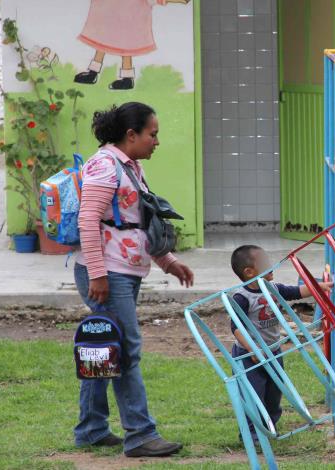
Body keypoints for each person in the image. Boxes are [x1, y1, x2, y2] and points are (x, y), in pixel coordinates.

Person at [74, 101, 194, 457]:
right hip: (108, 273)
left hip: (121, 271)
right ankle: (140, 435)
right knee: (126, 349)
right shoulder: (104, 165)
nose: (156, 141)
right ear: (131, 135)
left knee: (104, 346)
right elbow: (88, 221)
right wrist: (97, 274)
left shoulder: (131, 167)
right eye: (152, 134)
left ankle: (91, 429)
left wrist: (168, 261)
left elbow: (139, 221)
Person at [229, 245, 332, 442]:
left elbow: (296, 292)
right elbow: (236, 327)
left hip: (274, 351)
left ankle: (270, 426)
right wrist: (252, 348)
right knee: (253, 396)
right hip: (249, 357)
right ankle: (252, 435)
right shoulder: (242, 297)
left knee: (274, 393)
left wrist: (319, 287)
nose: (271, 265)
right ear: (249, 271)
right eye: (265, 263)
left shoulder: (273, 289)